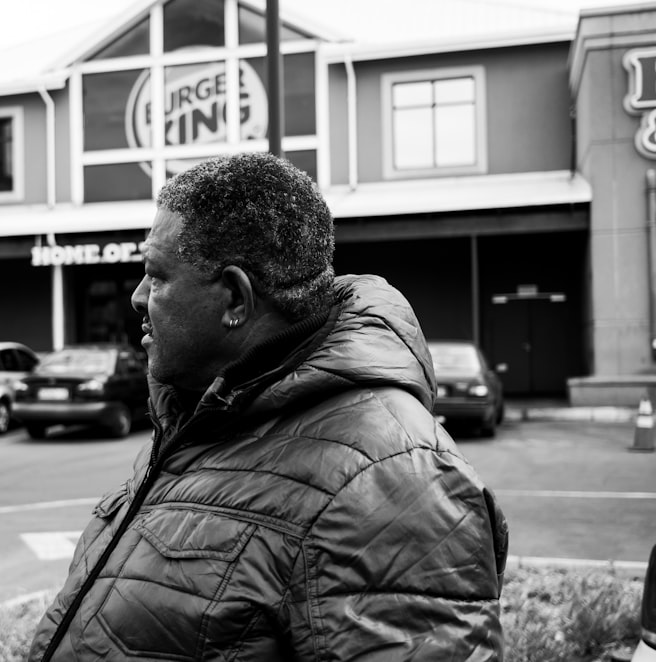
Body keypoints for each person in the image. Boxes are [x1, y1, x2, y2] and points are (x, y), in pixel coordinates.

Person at [29, 152, 509, 660]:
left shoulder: (390, 478)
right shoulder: (203, 417)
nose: (137, 297)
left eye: (157, 275)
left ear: (235, 298)